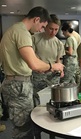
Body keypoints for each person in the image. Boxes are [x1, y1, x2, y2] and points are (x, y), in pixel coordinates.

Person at [0, 7, 64, 139]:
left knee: (23, 127)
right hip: (18, 85)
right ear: (36, 19)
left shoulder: (14, 30)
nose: (41, 29)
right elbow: (34, 64)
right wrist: (53, 65)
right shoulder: (22, 32)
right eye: (43, 26)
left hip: (16, 83)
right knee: (24, 129)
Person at [32, 14, 65, 106]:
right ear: (45, 26)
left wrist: (60, 70)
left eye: (56, 29)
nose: (53, 32)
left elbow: (59, 60)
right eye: (51, 28)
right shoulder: (35, 38)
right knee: (38, 101)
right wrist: (45, 67)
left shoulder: (59, 43)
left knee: (53, 100)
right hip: (39, 75)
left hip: (53, 76)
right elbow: (33, 58)